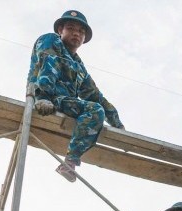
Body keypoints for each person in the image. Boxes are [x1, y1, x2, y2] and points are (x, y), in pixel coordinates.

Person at [27, 10, 124, 182]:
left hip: (63, 102)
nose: (76, 33)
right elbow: (46, 63)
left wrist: (118, 125)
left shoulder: (78, 66)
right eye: (71, 28)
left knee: (96, 109)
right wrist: (43, 97)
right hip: (44, 96)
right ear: (60, 30)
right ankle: (44, 97)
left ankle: (70, 162)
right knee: (94, 108)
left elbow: (95, 95)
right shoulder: (50, 40)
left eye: (81, 31)